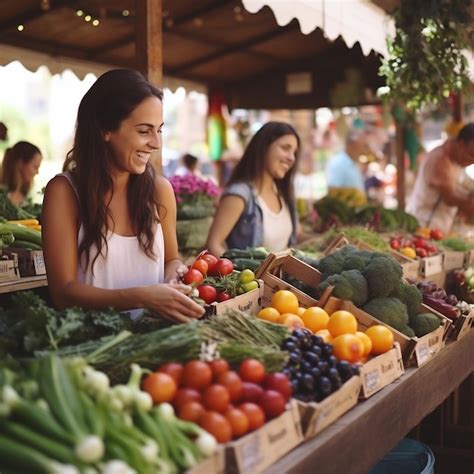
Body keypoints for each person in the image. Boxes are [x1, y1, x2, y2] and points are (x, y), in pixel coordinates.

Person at [42, 69, 204, 323]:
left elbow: (171, 260)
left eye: (159, 130)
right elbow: (63, 293)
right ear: (106, 129)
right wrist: (142, 297)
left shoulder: (160, 191)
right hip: (91, 349)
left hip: (155, 343)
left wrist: (176, 277)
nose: (156, 143)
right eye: (144, 131)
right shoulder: (64, 193)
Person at [206, 121, 304, 256]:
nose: (291, 158)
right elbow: (213, 245)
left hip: (286, 276)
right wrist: (240, 272)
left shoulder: (283, 193)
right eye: (285, 148)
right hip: (255, 276)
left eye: (294, 152)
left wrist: (327, 241)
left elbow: (298, 234)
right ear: (264, 147)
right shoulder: (239, 195)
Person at [406, 123, 474, 234]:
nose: (473, 161)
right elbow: (450, 198)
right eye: (472, 155)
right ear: (461, 144)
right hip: (422, 227)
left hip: (437, 229)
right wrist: (470, 204)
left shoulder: (456, 160)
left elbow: (463, 184)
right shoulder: (439, 160)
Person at [1, 141, 42, 206]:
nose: (37, 172)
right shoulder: (2, 196)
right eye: (35, 167)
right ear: (20, 163)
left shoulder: (28, 198)